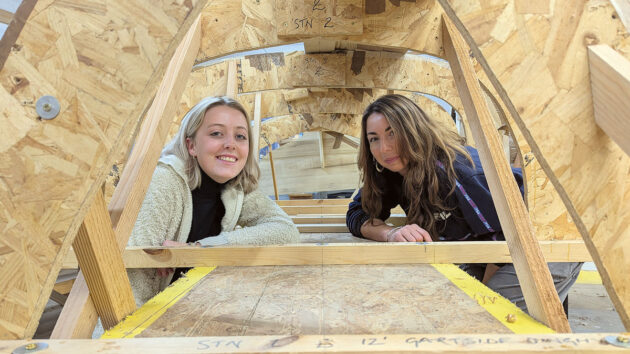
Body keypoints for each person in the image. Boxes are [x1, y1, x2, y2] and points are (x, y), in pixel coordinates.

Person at [346, 94, 581, 313]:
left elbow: (501, 240)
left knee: (489, 312)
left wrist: (481, 303)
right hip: (488, 247)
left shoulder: (457, 171)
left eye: (392, 133)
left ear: (413, 130)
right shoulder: (391, 170)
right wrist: (390, 233)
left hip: (545, 240)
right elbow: (357, 213)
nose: (384, 148)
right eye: (373, 139)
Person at [127, 96, 300, 306]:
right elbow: (133, 278)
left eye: (240, 136)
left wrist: (202, 248)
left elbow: (285, 230)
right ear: (191, 145)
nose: (230, 144)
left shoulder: (235, 188)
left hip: (193, 303)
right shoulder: (164, 182)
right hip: (146, 321)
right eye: (216, 133)